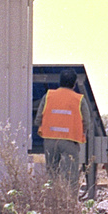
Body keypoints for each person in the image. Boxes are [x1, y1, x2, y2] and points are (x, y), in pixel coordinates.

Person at [35, 69, 91, 197]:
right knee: (70, 175)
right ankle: (69, 204)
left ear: (59, 82)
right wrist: (82, 135)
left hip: (49, 140)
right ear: (74, 84)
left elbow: (38, 118)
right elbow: (87, 121)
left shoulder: (48, 96)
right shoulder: (79, 99)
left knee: (51, 173)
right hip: (70, 141)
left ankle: (51, 201)